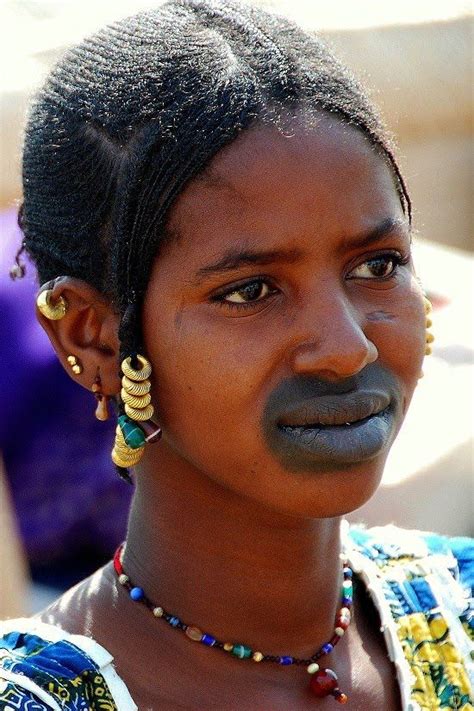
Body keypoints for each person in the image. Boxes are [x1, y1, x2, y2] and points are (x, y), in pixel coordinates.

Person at [0, 1, 472, 709]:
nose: (348, 347)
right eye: (251, 290)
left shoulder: (459, 609)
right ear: (93, 335)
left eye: (376, 266)